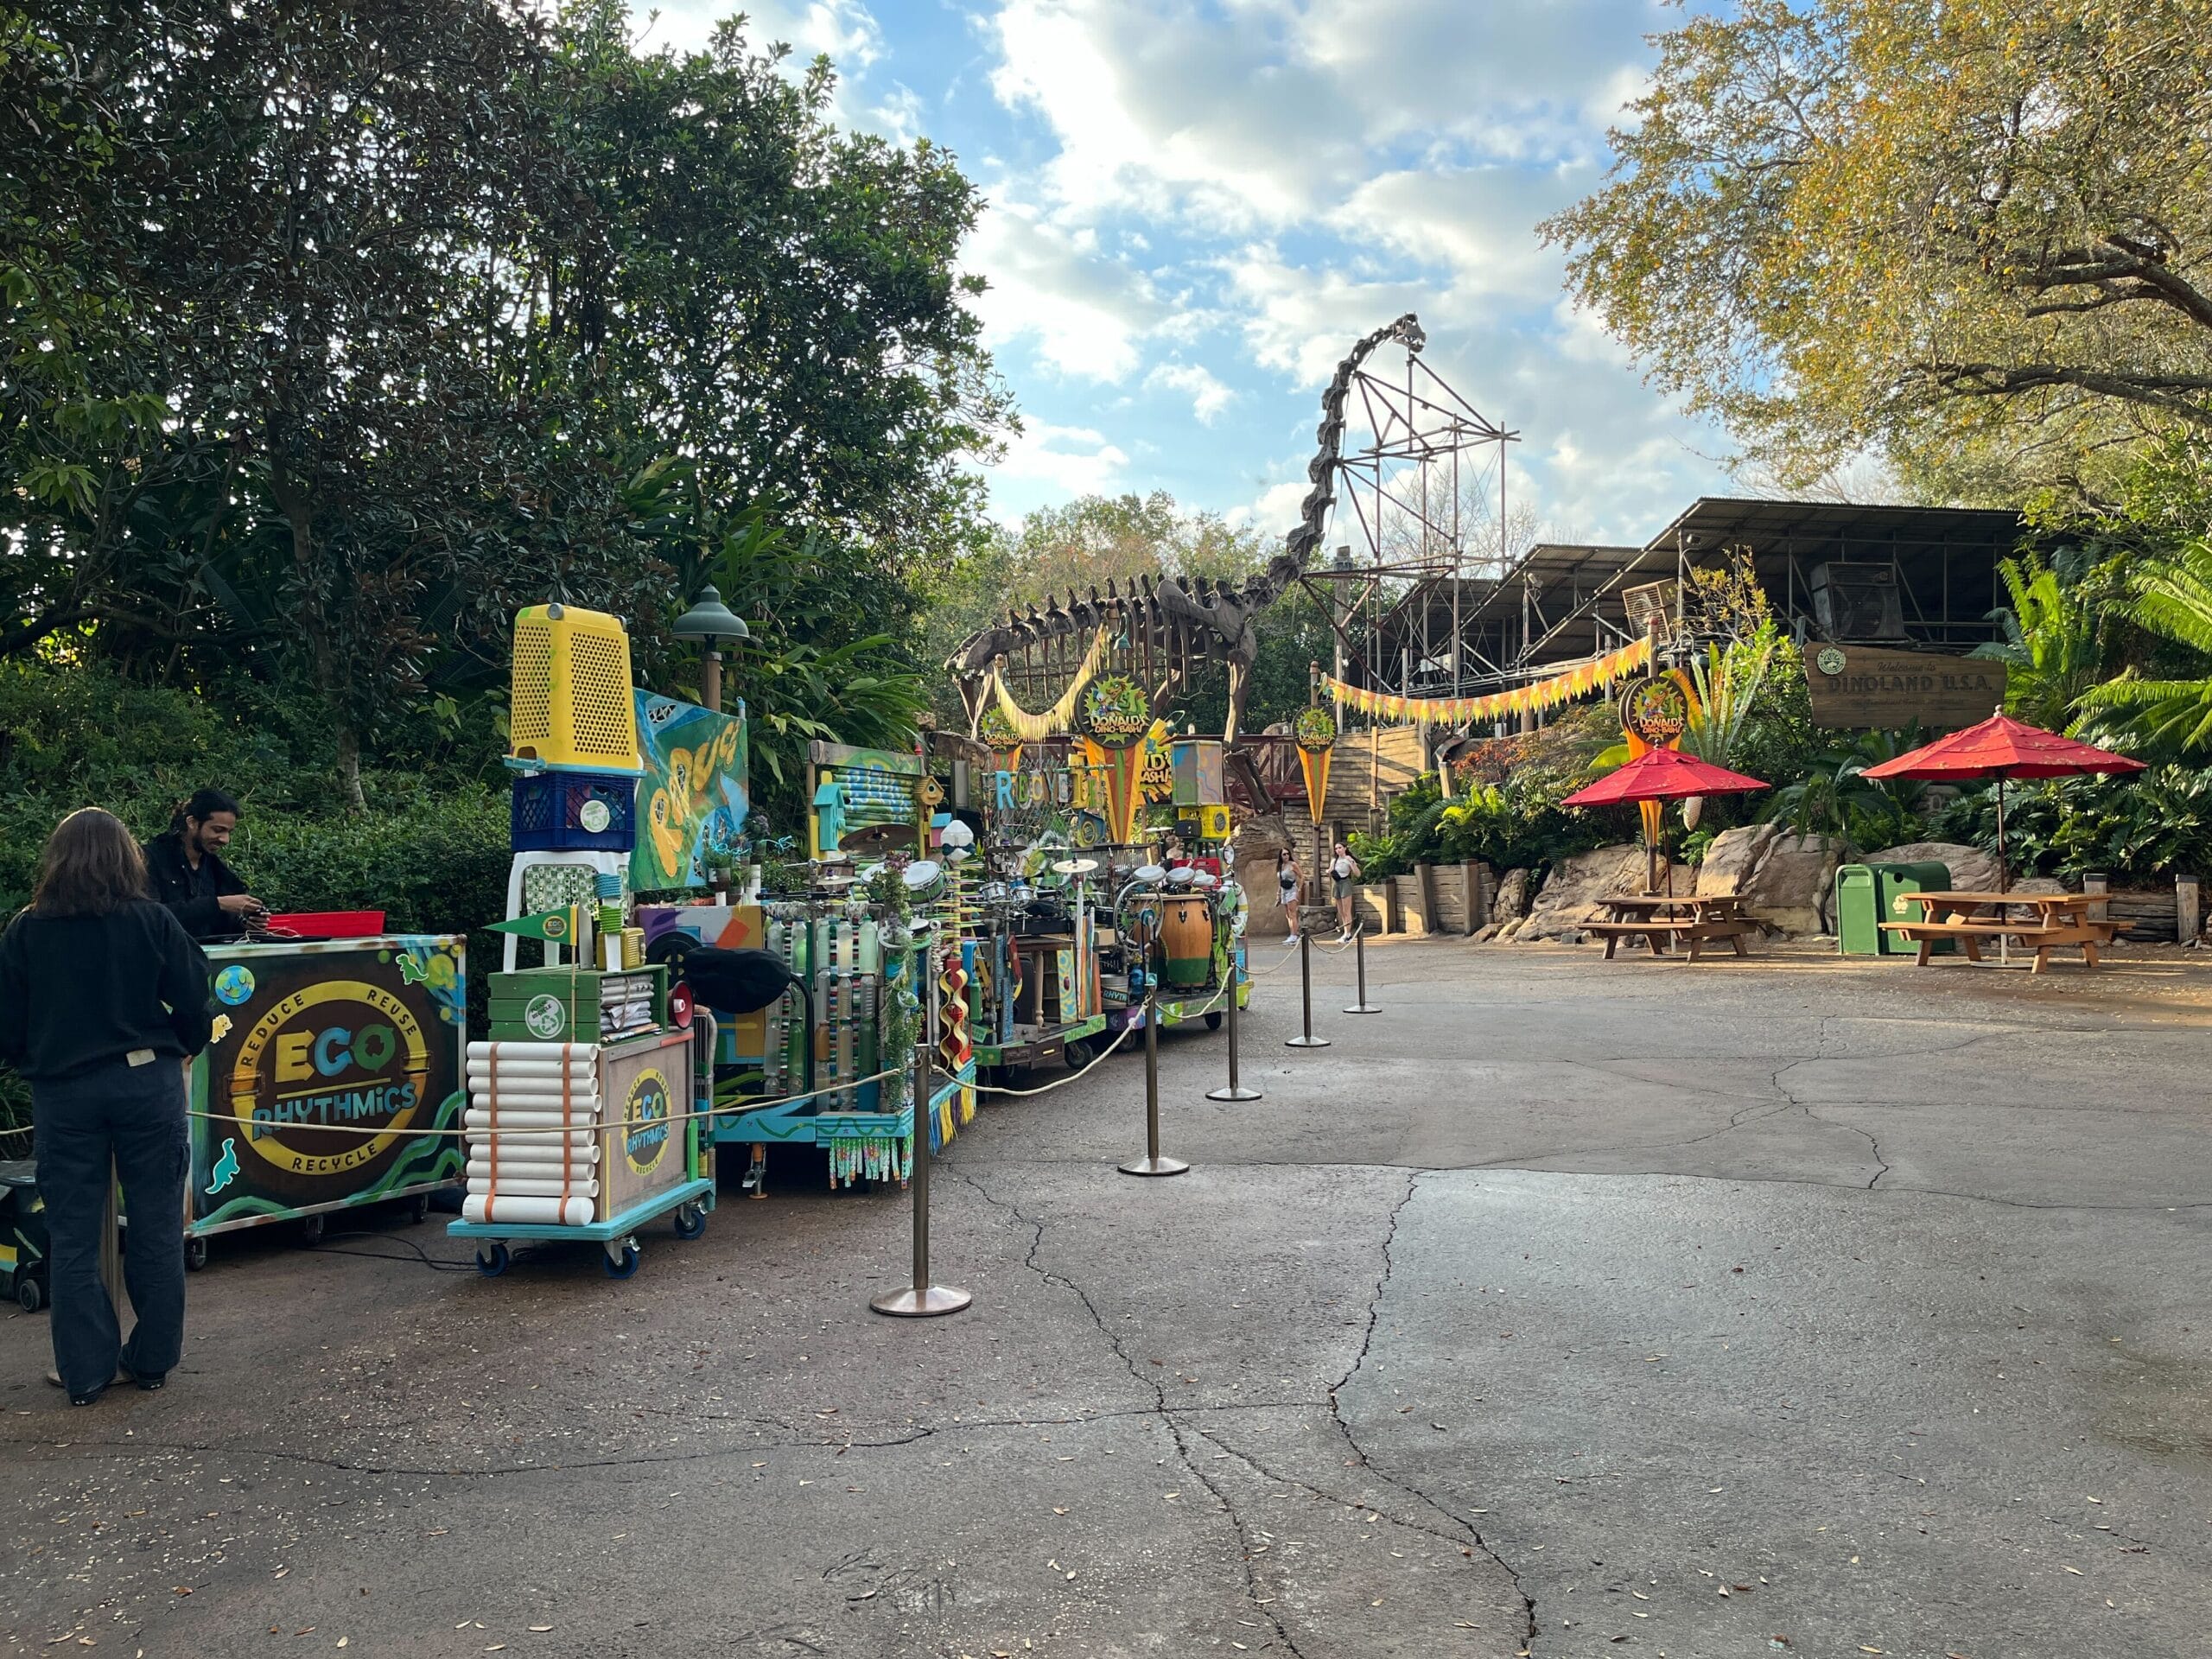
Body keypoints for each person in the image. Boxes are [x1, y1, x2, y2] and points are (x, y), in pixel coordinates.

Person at [0, 809, 213, 1406]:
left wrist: (35, 1062)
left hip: (64, 1090)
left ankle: (85, 1374)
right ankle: (150, 1362)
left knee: (71, 1234)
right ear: (128, 858)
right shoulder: (154, 920)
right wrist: (179, 1049)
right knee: (155, 1226)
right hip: (146, 1080)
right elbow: (197, 999)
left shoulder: (26, 930)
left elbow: (7, 1024)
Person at [143, 788, 266, 940]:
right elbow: (149, 917)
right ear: (192, 823)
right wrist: (216, 904)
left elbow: (219, 928)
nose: (225, 839)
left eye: (229, 832)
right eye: (218, 830)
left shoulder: (217, 870)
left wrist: (246, 924)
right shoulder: (150, 860)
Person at [1330, 841, 1361, 942]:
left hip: (1345, 883)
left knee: (1347, 910)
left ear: (1345, 848)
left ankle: (1348, 934)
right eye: (1336, 848)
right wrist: (1329, 872)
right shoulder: (1334, 860)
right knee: (1341, 911)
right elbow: (1330, 870)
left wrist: (1352, 863)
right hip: (1337, 883)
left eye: (1340, 848)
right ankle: (1344, 932)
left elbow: (1357, 874)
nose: (1338, 850)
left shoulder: (1348, 859)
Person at [1275, 849, 1302, 943]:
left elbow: (1301, 876)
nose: (1286, 856)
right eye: (1284, 854)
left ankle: (1294, 935)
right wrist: (1278, 893)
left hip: (1292, 890)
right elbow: (1280, 881)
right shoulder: (1281, 866)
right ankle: (1292, 933)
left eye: (1287, 854)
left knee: (1292, 913)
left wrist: (1299, 889)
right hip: (1283, 890)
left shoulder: (1293, 865)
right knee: (1287, 914)